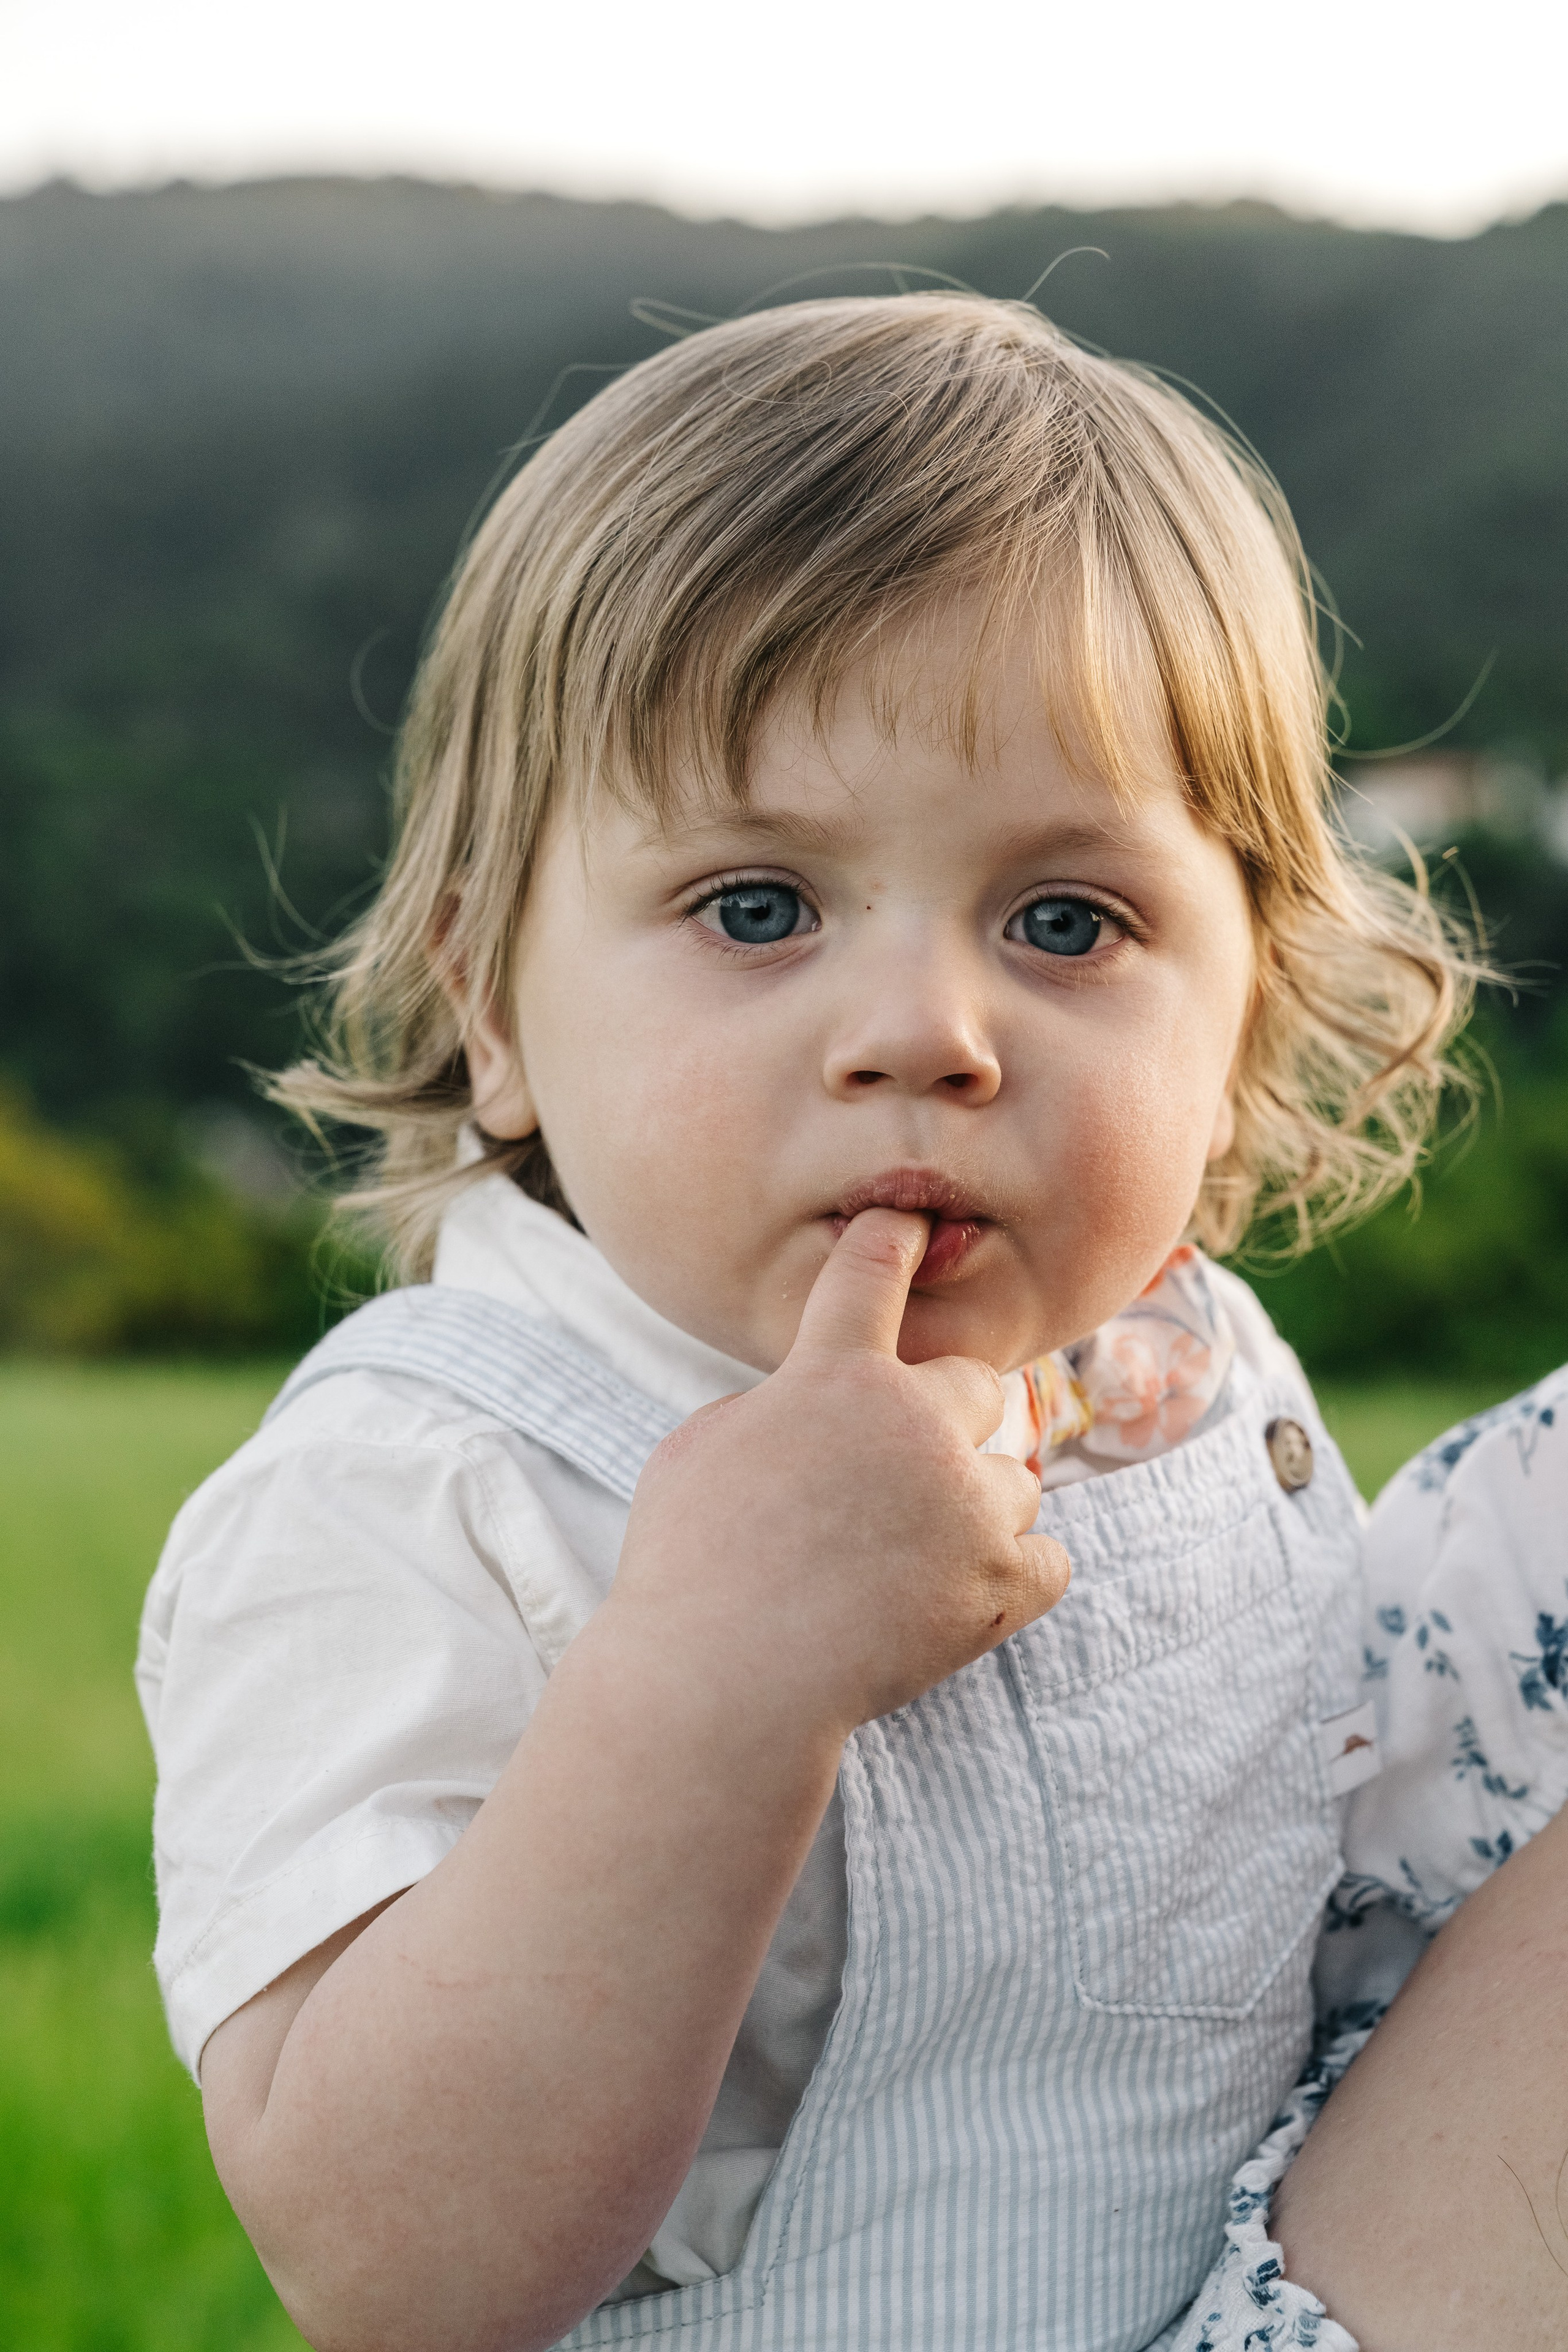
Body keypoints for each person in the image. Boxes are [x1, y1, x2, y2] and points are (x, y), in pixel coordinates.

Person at [135, 293, 1515, 2352]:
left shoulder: (1192, 1386)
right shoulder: (430, 1488)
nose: (923, 1035)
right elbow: (389, 2267)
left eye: (1070, 923)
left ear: (1244, 1016)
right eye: (757, 908)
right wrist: (714, 1675)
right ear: (494, 1008)